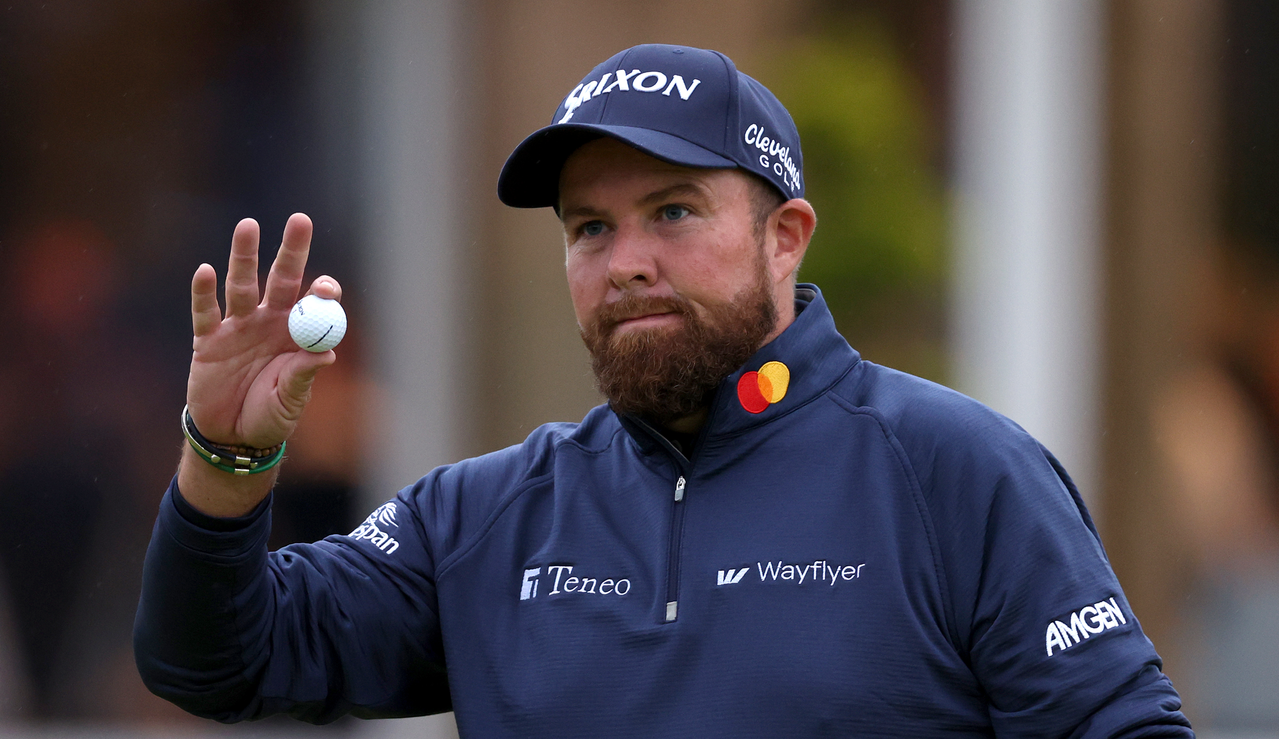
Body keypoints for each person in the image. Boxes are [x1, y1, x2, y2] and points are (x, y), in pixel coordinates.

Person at [134, 43, 1193, 737]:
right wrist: (225, 458)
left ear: (785, 239)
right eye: (589, 227)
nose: (624, 259)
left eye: (673, 211)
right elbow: (215, 660)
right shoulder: (489, 516)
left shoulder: (955, 470)